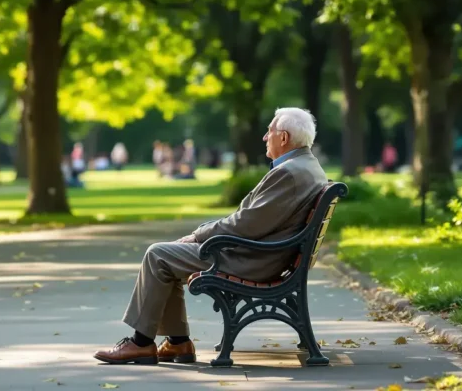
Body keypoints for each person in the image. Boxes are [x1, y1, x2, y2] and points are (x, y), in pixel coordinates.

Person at [93, 107, 328, 365]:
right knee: (167, 256)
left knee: (157, 255)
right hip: (265, 254)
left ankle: (141, 344)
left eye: (269, 130)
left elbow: (245, 224)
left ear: (283, 138)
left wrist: (198, 235)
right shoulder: (305, 166)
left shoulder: (289, 173)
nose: (264, 137)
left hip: (253, 259)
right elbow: (250, 221)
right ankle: (178, 343)